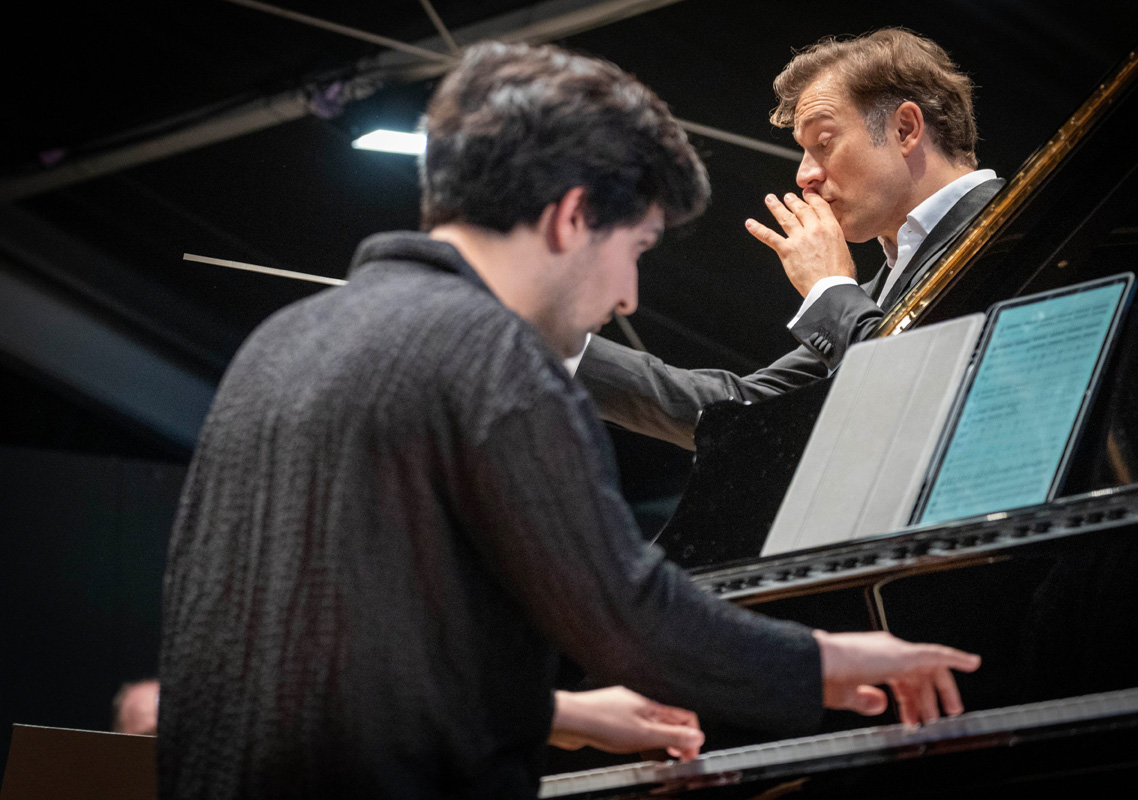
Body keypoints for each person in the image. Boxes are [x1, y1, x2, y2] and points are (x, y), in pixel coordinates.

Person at [157, 41, 980, 799]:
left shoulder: (278, 341)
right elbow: (621, 610)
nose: (626, 296)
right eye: (636, 247)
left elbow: (342, 657)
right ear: (572, 217)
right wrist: (827, 661)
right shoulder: (490, 359)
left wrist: (557, 713)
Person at [574, 28, 1005, 451]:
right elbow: (741, 410)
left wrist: (829, 288)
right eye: (804, 150)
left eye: (824, 141)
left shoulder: (1017, 229)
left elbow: (924, 398)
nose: (804, 175)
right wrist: (555, 347)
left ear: (905, 129)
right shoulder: (879, 290)